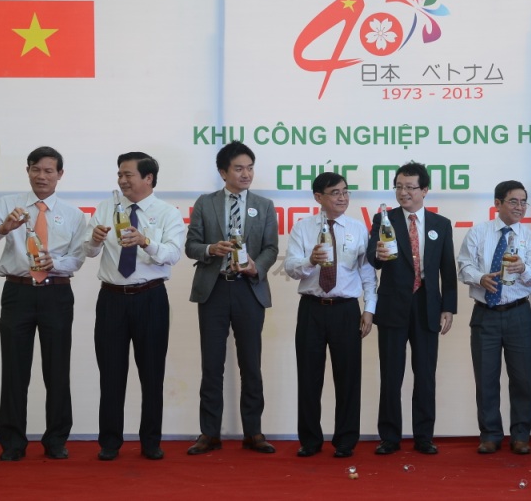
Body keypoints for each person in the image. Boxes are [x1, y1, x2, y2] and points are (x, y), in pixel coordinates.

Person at [0, 147, 86, 461]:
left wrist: (55, 262)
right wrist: (3, 229)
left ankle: (56, 440)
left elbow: (78, 259)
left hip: (56, 293)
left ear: (60, 174)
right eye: (36, 169)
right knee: (14, 369)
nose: (42, 176)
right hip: (17, 293)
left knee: (57, 369)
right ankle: (12, 443)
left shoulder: (74, 215)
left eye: (49, 171)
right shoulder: (7, 205)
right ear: (27, 171)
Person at [84, 152, 186, 461]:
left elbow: (172, 255)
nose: (122, 180)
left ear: (148, 178)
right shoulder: (106, 208)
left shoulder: (167, 213)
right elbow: (88, 251)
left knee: (152, 373)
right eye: (120, 174)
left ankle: (151, 441)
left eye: (128, 174)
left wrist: (145, 241)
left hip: (150, 298)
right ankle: (109, 442)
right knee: (111, 373)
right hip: (111, 299)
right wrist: (95, 239)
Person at [184, 141, 279, 456]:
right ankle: (209, 433)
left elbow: (271, 248)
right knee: (212, 365)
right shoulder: (206, 203)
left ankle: (253, 432)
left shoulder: (264, 205)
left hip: (248, 289)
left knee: (251, 364)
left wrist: (256, 267)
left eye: (250, 168)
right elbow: (191, 245)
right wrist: (211, 249)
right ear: (223, 172)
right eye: (239, 168)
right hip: (214, 289)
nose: (246, 174)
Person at [366, 162, 458, 456]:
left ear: (424, 190)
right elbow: (372, 258)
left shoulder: (440, 224)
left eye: (410, 187)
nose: (403, 192)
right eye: (398, 187)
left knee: (425, 375)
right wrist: (379, 254)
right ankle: (389, 437)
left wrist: (448, 307)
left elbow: (447, 268)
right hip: (393, 306)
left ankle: (424, 437)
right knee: (391, 375)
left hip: (427, 306)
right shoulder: (384, 218)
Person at [284, 172, 376, 458]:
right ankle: (310, 440)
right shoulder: (303, 228)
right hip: (311, 308)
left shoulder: (358, 228)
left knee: (348, 378)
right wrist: (310, 260)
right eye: (335, 192)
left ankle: (346, 440)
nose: (342, 197)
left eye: (345, 191)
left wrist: (369, 309)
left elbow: (367, 273)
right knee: (308, 378)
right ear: (318, 197)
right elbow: (291, 267)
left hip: (346, 310)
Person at [457, 180, 531, 455]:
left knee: (522, 378)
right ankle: (490, 435)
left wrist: (524, 268)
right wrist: (479, 278)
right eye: (513, 201)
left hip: (519, 313)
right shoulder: (478, 233)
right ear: (497, 203)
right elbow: (463, 266)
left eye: (523, 202)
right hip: (486, 314)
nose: (519, 207)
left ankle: (521, 435)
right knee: (486, 378)